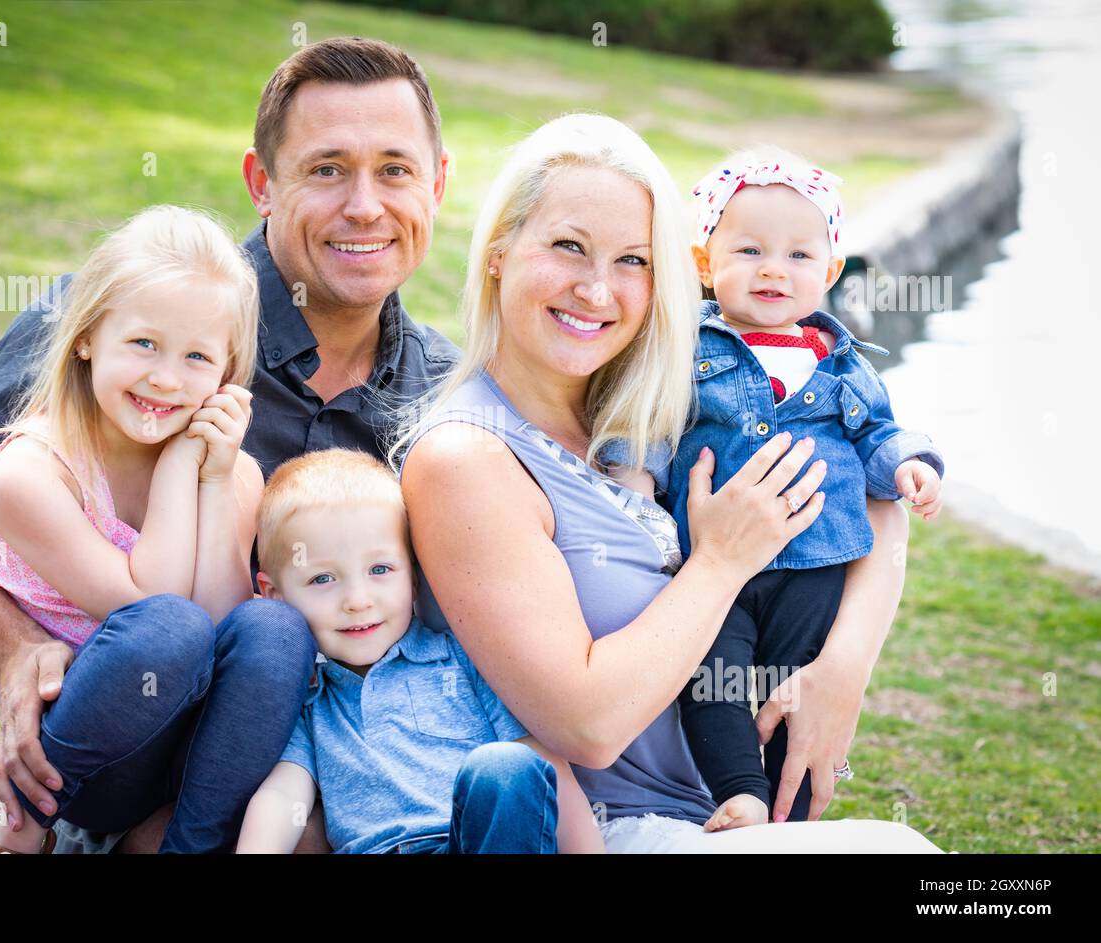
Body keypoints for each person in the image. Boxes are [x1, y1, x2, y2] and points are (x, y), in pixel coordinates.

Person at [0, 37, 455, 854]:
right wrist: (18, 652)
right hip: (113, 750)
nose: (364, 205)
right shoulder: (130, 320)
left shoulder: (446, 401)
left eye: (395, 169)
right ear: (261, 185)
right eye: (325, 169)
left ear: (438, 183)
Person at [395, 113, 946, 852]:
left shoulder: (652, 402)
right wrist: (721, 561)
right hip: (609, 826)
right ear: (499, 254)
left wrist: (842, 669)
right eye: (568, 246)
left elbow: (878, 496)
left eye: (633, 260)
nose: (597, 289)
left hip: (718, 812)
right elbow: (585, 725)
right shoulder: (467, 457)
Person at [597, 147, 945, 830]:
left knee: (794, 683)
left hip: (815, 562)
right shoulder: (686, 348)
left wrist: (911, 465)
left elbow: (879, 433)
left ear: (832, 271)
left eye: (798, 256)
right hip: (713, 565)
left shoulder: (839, 361)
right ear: (704, 264)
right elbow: (652, 424)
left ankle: (790, 811)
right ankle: (740, 792)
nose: (772, 270)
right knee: (709, 677)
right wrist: (633, 478)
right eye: (750, 250)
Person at [0, 203, 307, 855]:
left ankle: (189, 846)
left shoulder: (234, 476)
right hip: (82, 765)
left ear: (228, 374)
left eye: (198, 356)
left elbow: (219, 621)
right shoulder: (34, 473)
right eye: (144, 343)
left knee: (275, 626)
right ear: (89, 334)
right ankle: (15, 834)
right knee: (167, 628)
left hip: (186, 765)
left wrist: (212, 480)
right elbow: (152, 608)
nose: (166, 377)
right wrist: (181, 470)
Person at [236, 449, 604, 853]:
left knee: (504, 768)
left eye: (380, 570)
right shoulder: (307, 698)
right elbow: (284, 795)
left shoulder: (465, 661)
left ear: (413, 578)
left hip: (476, 843)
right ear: (276, 595)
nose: (358, 601)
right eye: (323, 578)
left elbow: (545, 767)